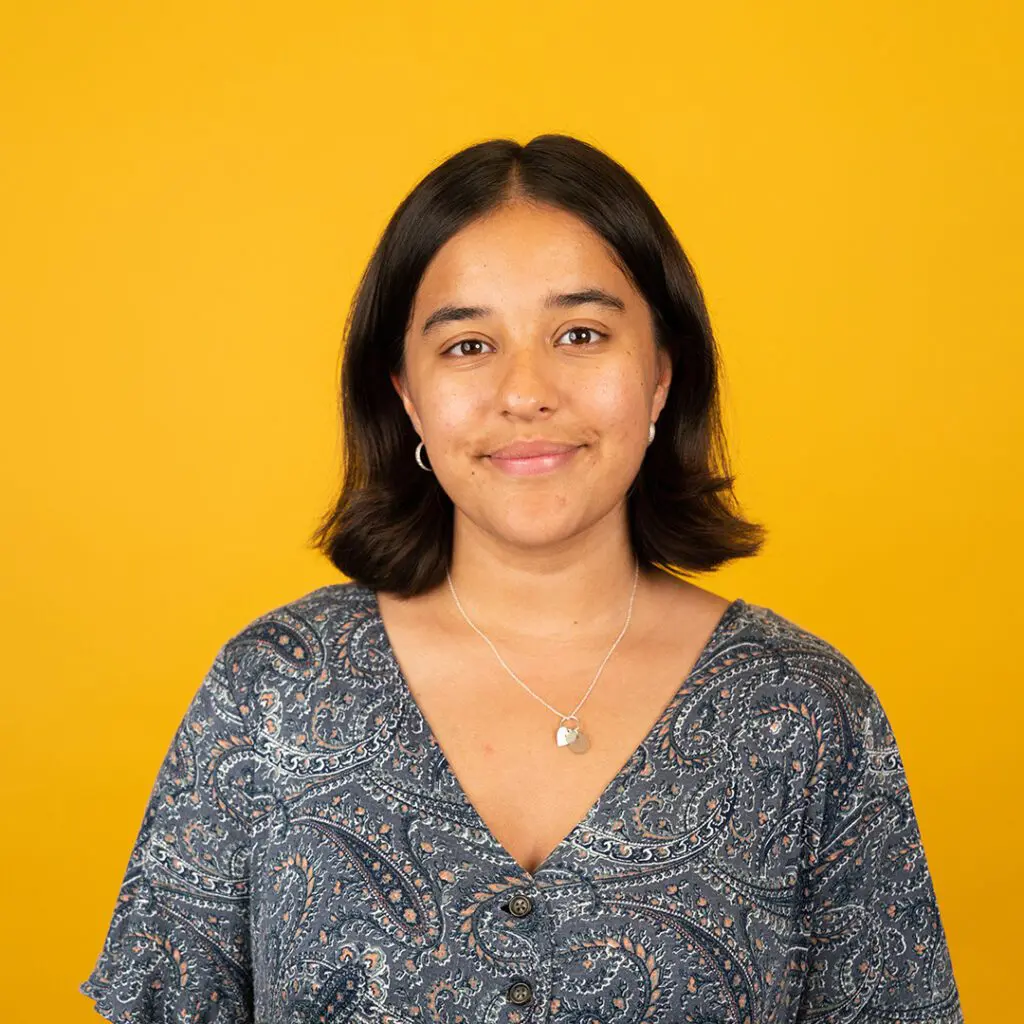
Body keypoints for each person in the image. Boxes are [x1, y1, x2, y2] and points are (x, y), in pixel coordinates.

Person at [80, 134, 963, 1023]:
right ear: (406, 393)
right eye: (468, 345)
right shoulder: (272, 692)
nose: (525, 391)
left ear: (661, 373)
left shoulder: (802, 713)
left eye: (581, 334)